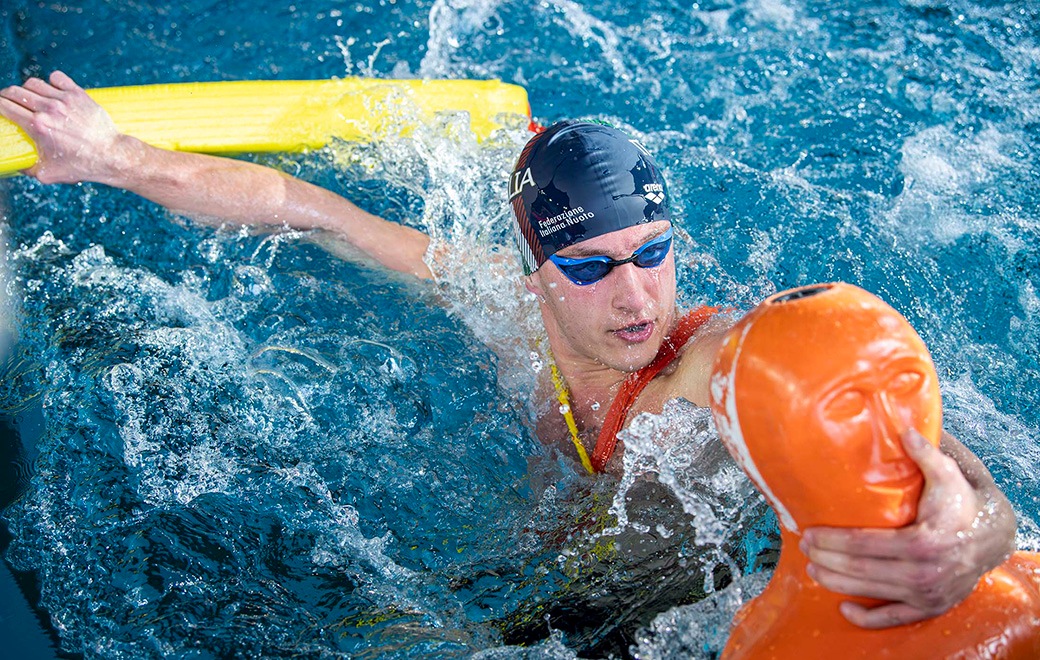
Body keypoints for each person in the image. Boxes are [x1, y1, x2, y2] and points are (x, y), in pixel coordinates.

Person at [0, 71, 1019, 630]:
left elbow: (898, 418)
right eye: (589, 268)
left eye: (653, 254)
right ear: (532, 272)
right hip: (538, 556)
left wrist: (975, 530)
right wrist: (110, 155)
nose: (634, 297)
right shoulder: (497, 298)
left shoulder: (708, 361)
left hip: (666, 608)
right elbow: (305, 210)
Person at [709, 282, 1040, 658]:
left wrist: (988, 522)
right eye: (846, 408)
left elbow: (901, 425)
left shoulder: (717, 353)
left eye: (650, 253)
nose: (634, 298)